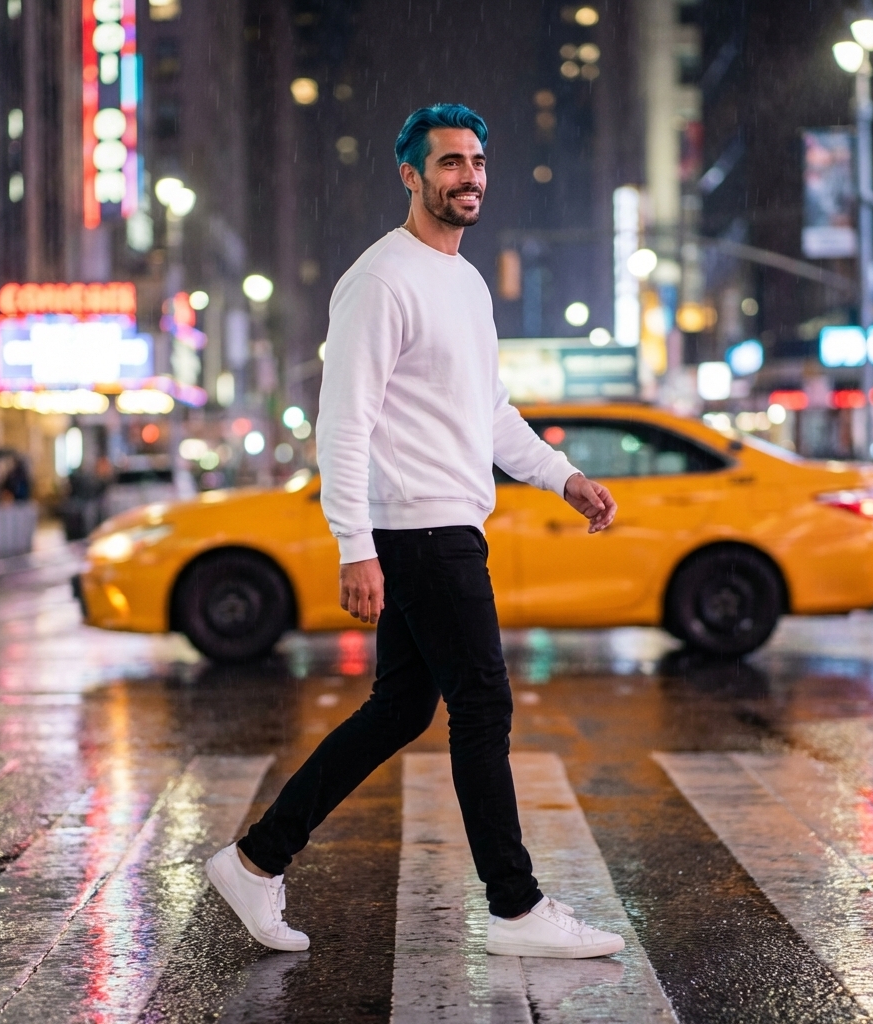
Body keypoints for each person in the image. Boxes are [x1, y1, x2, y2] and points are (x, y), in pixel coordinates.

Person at [206, 104, 623, 959]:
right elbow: (344, 423)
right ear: (409, 175)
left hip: (449, 521)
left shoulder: (465, 282)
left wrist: (564, 477)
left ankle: (256, 860)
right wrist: (353, 542)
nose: (467, 177)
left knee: (400, 707)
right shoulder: (381, 278)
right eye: (448, 163)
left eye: (476, 161)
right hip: (420, 532)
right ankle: (514, 907)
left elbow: (490, 412)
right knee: (482, 704)